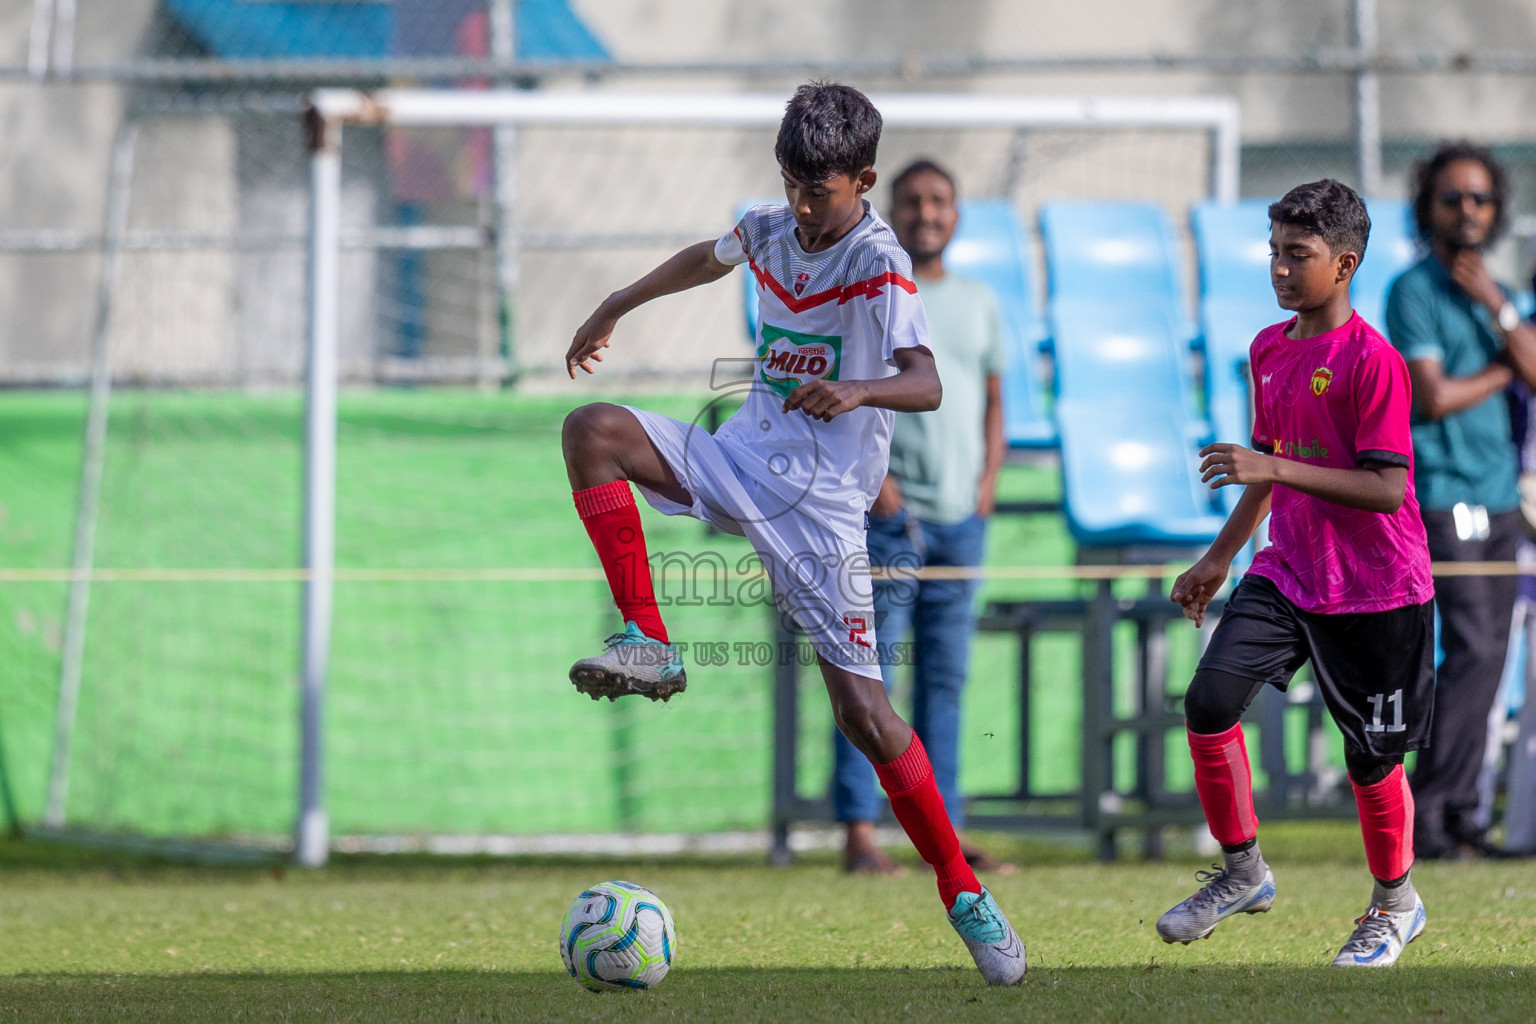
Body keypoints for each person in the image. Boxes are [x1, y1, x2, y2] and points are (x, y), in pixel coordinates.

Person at [558, 83, 1025, 986]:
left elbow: (926, 383)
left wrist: (856, 390)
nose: (808, 208)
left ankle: (962, 891)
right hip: (740, 459)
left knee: (865, 715)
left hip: (820, 508)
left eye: (825, 191)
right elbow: (709, 255)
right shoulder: (774, 227)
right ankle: (649, 643)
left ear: (865, 180)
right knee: (592, 432)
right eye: (795, 186)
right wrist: (617, 300)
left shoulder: (881, 263)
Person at [1156, 179, 1435, 968]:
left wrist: (1272, 464)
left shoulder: (1373, 363)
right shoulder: (1269, 349)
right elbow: (1268, 473)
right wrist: (1219, 557)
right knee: (1209, 703)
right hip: (1290, 571)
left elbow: (1386, 490)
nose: (1279, 268)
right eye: (1274, 251)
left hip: (1378, 587)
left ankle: (1395, 906)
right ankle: (1244, 873)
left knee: (1370, 758)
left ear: (1344, 263)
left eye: (1297, 254)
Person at [829, 158, 1011, 876]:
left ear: (956, 215)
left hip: (962, 520)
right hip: (886, 519)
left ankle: (944, 834)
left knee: (946, 681)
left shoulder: (980, 301)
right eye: (911, 202)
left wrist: (989, 480)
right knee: (870, 681)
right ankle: (861, 834)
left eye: (938, 201)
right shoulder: (873, 294)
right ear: (890, 213)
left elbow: (995, 398)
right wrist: (876, 481)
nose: (925, 213)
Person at [1385, 141, 1536, 859]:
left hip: (1499, 494)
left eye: (1480, 199)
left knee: (1487, 656)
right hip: (1448, 493)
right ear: (1429, 208)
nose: (1468, 211)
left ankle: (1458, 816)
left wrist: (1498, 310)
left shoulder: (1497, 293)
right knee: (1474, 649)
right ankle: (1438, 814)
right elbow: (1432, 396)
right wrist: (1503, 370)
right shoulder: (1412, 290)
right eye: (1453, 198)